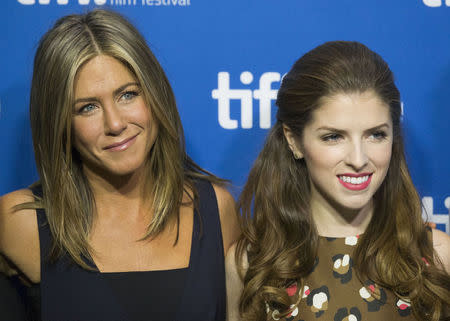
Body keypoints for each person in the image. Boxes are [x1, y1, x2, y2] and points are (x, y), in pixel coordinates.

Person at [0, 9, 240, 321]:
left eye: (127, 95)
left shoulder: (215, 210)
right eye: (88, 107)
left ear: (155, 96)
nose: (115, 123)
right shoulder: (20, 224)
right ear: (60, 124)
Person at [226, 41, 450, 321]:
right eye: (333, 136)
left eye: (376, 135)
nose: (358, 159)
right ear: (294, 140)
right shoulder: (251, 263)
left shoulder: (438, 256)